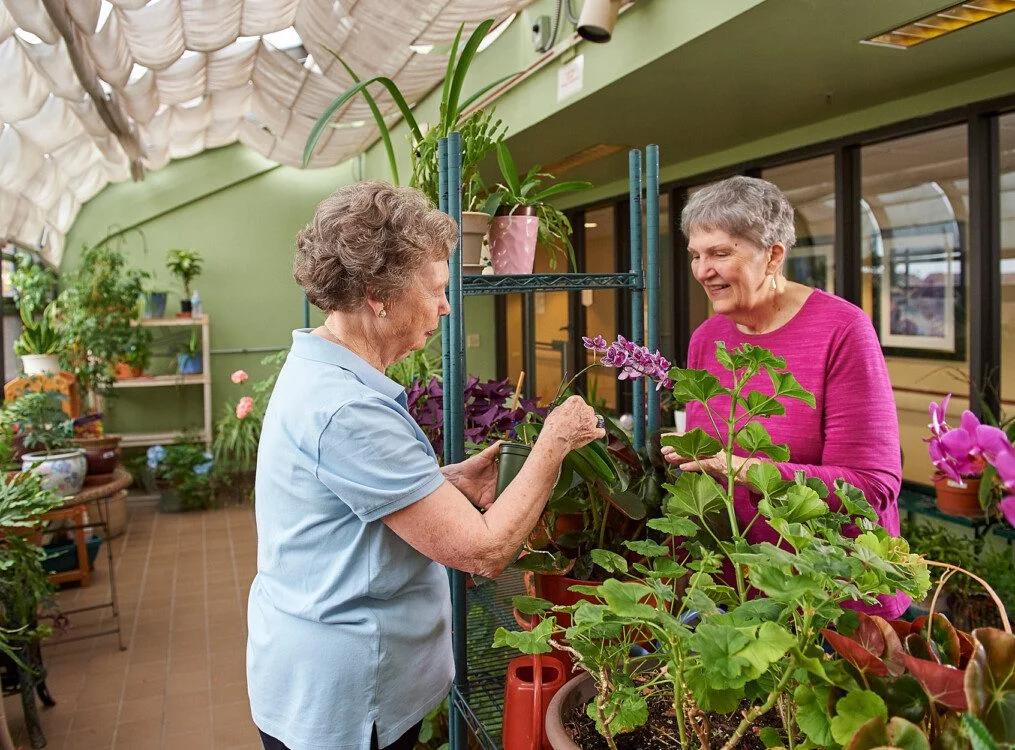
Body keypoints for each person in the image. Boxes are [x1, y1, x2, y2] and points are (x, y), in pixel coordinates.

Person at [247, 181, 604, 750]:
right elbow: (484, 551)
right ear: (376, 293)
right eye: (436, 289)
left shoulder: (325, 373)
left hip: (323, 673)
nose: (445, 305)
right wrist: (553, 444)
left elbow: (349, 502)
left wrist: (448, 481)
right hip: (349, 697)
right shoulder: (347, 410)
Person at [661, 175, 909, 619]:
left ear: (773, 254)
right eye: (696, 255)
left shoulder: (842, 330)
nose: (702, 270)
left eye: (720, 253)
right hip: (736, 596)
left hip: (829, 598)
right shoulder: (706, 339)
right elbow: (707, 470)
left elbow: (873, 486)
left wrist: (745, 470)